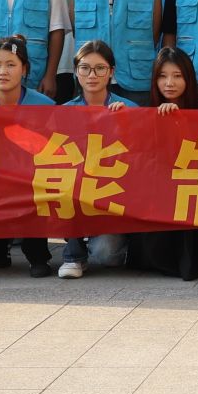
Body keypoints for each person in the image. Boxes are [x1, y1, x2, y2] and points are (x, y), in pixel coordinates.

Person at [0, 35, 56, 276]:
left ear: (24, 69)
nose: (2, 71)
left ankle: (38, 254)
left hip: (33, 183)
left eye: (11, 65)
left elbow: (52, 152)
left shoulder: (45, 105)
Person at [138, 47, 198, 280]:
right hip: (159, 190)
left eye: (177, 76)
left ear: (188, 78)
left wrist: (180, 122)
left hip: (195, 187)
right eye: (163, 76)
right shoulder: (145, 112)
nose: (169, 83)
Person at [56, 40, 135, 280]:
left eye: (100, 68)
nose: (92, 75)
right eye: (85, 68)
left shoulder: (129, 108)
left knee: (107, 256)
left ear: (111, 72)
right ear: (75, 71)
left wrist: (125, 123)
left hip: (114, 195)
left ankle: (107, 240)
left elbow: (139, 160)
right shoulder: (63, 112)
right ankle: (73, 255)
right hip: (77, 193)